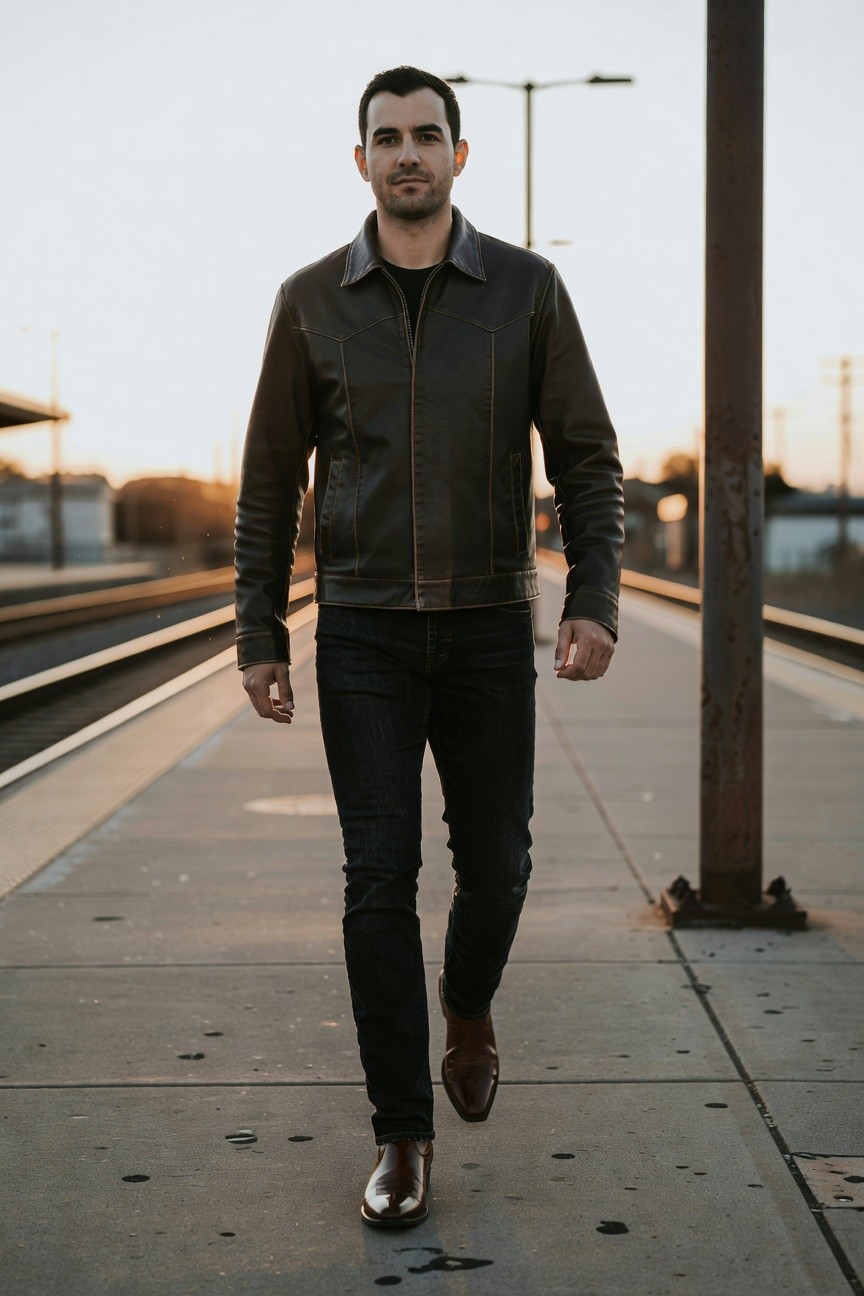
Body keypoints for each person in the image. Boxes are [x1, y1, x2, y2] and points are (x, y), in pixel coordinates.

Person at [234, 65, 624, 1228]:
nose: (408, 153)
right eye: (386, 138)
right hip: (358, 631)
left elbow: (590, 458)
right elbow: (267, 481)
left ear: (461, 153)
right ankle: (403, 1135)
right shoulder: (310, 300)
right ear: (360, 161)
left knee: (498, 864)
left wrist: (593, 598)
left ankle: (467, 1006)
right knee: (376, 883)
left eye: (427, 135)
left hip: (491, 629)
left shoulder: (529, 292)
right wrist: (259, 628)